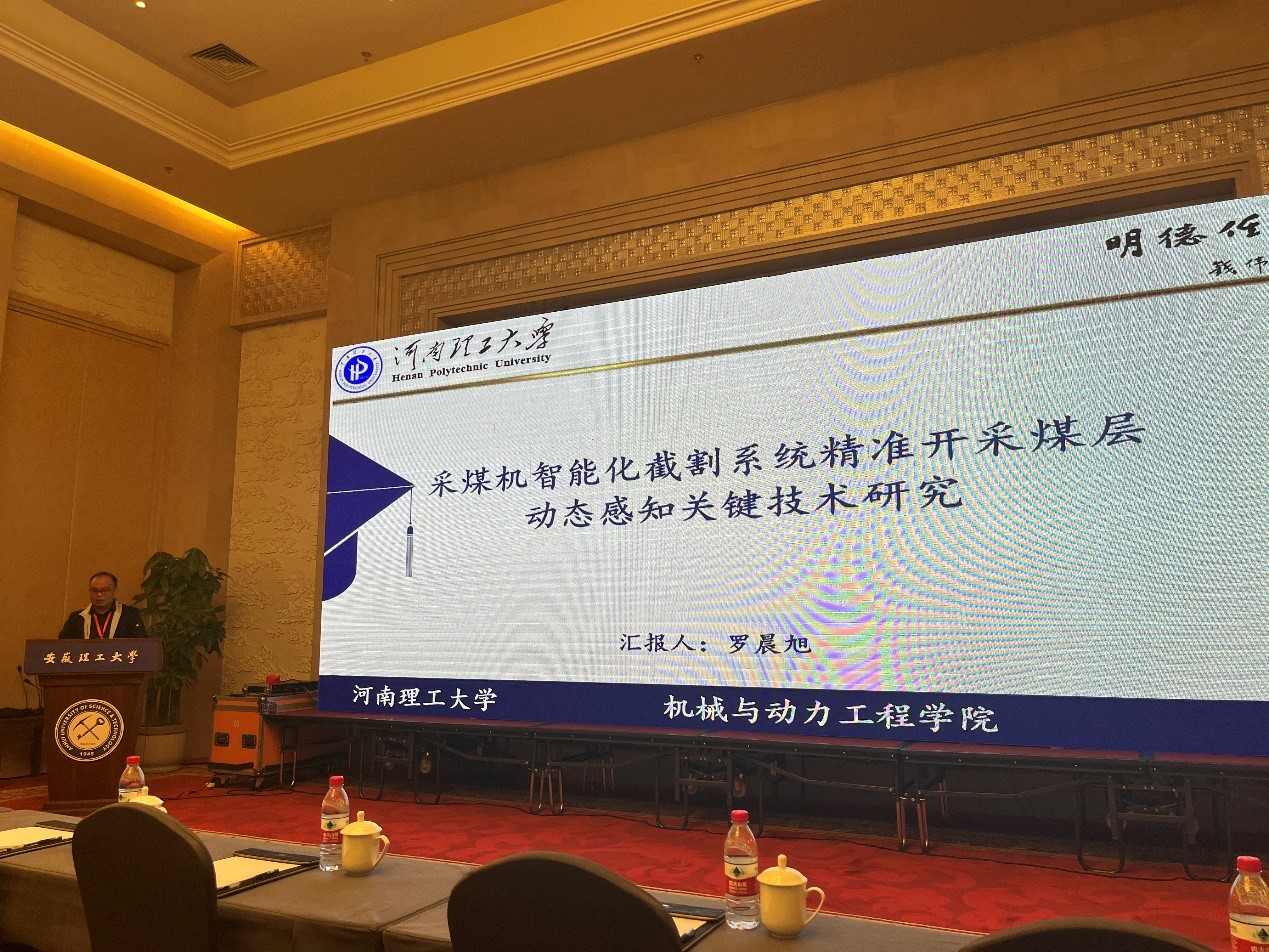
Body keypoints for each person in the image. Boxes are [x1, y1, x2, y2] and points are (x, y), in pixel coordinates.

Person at [57, 571, 147, 640]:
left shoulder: (130, 615)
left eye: (104, 590)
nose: (99, 594)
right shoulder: (77, 618)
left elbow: (141, 643)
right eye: (95, 591)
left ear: (114, 590)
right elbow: (62, 645)